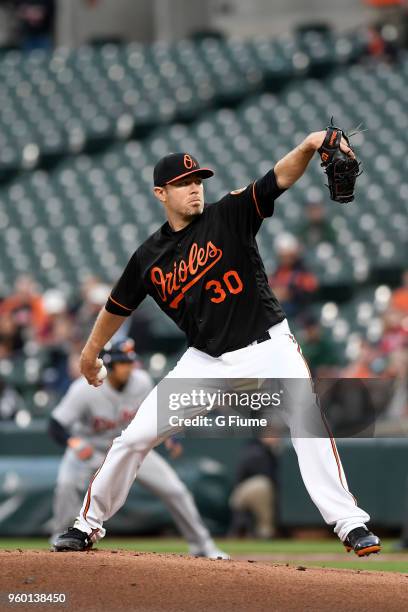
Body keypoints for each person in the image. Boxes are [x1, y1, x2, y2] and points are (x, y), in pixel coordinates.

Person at [54, 133, 381, 558]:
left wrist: (306, 146)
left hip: (268, 346)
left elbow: (276, 178)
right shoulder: (147, 257)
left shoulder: (229, 213)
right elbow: (118, 305)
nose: (195, 187)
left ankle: (350, 523)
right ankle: (86, 525)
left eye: (198, 179)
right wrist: (90, 349)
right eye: (184, 182)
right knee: (134, 438)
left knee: (307, 420)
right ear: (161, 193)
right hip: (206, 361)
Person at [49, 337, 228, 558]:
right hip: (90, 449)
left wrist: (171, 438)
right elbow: (55, 425)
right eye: (123, 362)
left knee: (176, 490)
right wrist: (73, 442)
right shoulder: (84, 389)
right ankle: (59, 539)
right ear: (110, 365)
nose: (129, 367)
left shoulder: (141, 381)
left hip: (130, 449)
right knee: (66, 485)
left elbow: (160, 413)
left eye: (130, 362)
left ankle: (202, 545)